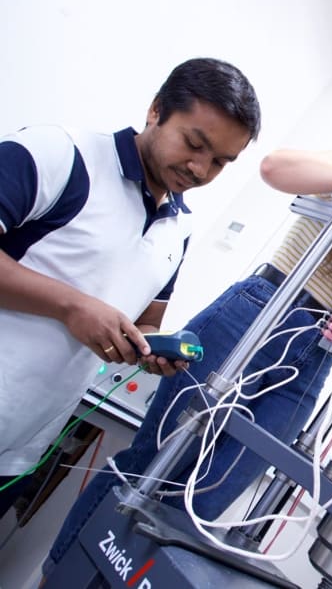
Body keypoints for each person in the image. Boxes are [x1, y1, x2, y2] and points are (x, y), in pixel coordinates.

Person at [46, 139, 332, 569]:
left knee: (208, 499)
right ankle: (60, 573)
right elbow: (275, 167)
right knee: (149, 462)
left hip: (313, 360)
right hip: (256, 312)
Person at [0, 57, 261, 520]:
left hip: (17, 449)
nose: (200, 169)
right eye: (194, 144)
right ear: (156, 110)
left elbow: (145, 321)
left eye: (221, 162)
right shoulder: (62, 154)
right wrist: (71, 306)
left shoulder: (177, 229)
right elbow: (82, 308)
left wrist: (153, 350)